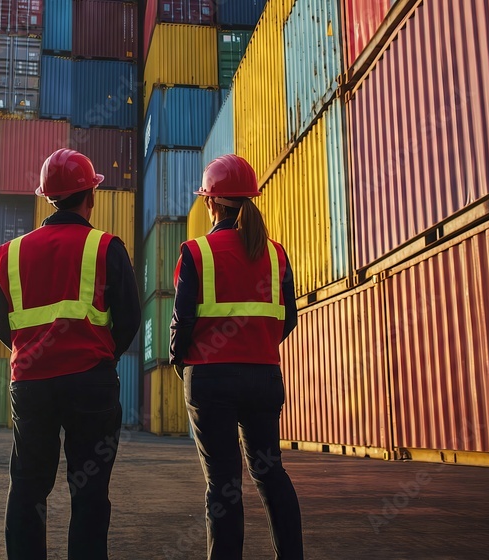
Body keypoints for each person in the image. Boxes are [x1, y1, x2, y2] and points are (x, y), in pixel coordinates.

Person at [0, 148, 141, 560]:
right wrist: (100, 357)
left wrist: (34, 352)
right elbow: (129, 319)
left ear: (48, 197)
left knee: (27, 488)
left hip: (32, 386)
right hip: (90, 383)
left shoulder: (12, 253)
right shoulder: (107, 247)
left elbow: (1, 323)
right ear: (89, 195)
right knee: (90, 492)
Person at [170, 154, 303, 560]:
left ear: (211, 202)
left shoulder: (196, 253)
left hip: (211, 380)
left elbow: (183, 322)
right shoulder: (276, 254)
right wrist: (257, 346)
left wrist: (184, 364)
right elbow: (288, 318)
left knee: (224, 483)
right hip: (263, 377)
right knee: (270, 473)